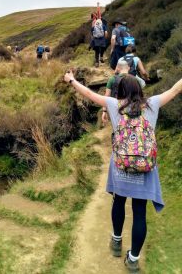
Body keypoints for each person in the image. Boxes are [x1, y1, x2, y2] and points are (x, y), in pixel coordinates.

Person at [63, 70, 182, 272]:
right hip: (145, 168)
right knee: (139, 212)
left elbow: (90, 95)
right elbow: (176, 88)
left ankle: (117, 242)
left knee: (118, 200)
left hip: (121, 166)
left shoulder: (113, 105)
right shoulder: (152, 104)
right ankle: (133, 260)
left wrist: (72, 80)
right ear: (139, 89)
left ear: (120, 91)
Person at [102, 59, 146, 125]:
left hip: (116, 107)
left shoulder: (112, 79)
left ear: (118, 68)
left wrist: (104, 111)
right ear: (128, 68)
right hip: (133, 109)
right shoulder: (135, 79)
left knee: (117, 126)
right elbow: (140, 94)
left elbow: (107, 96)